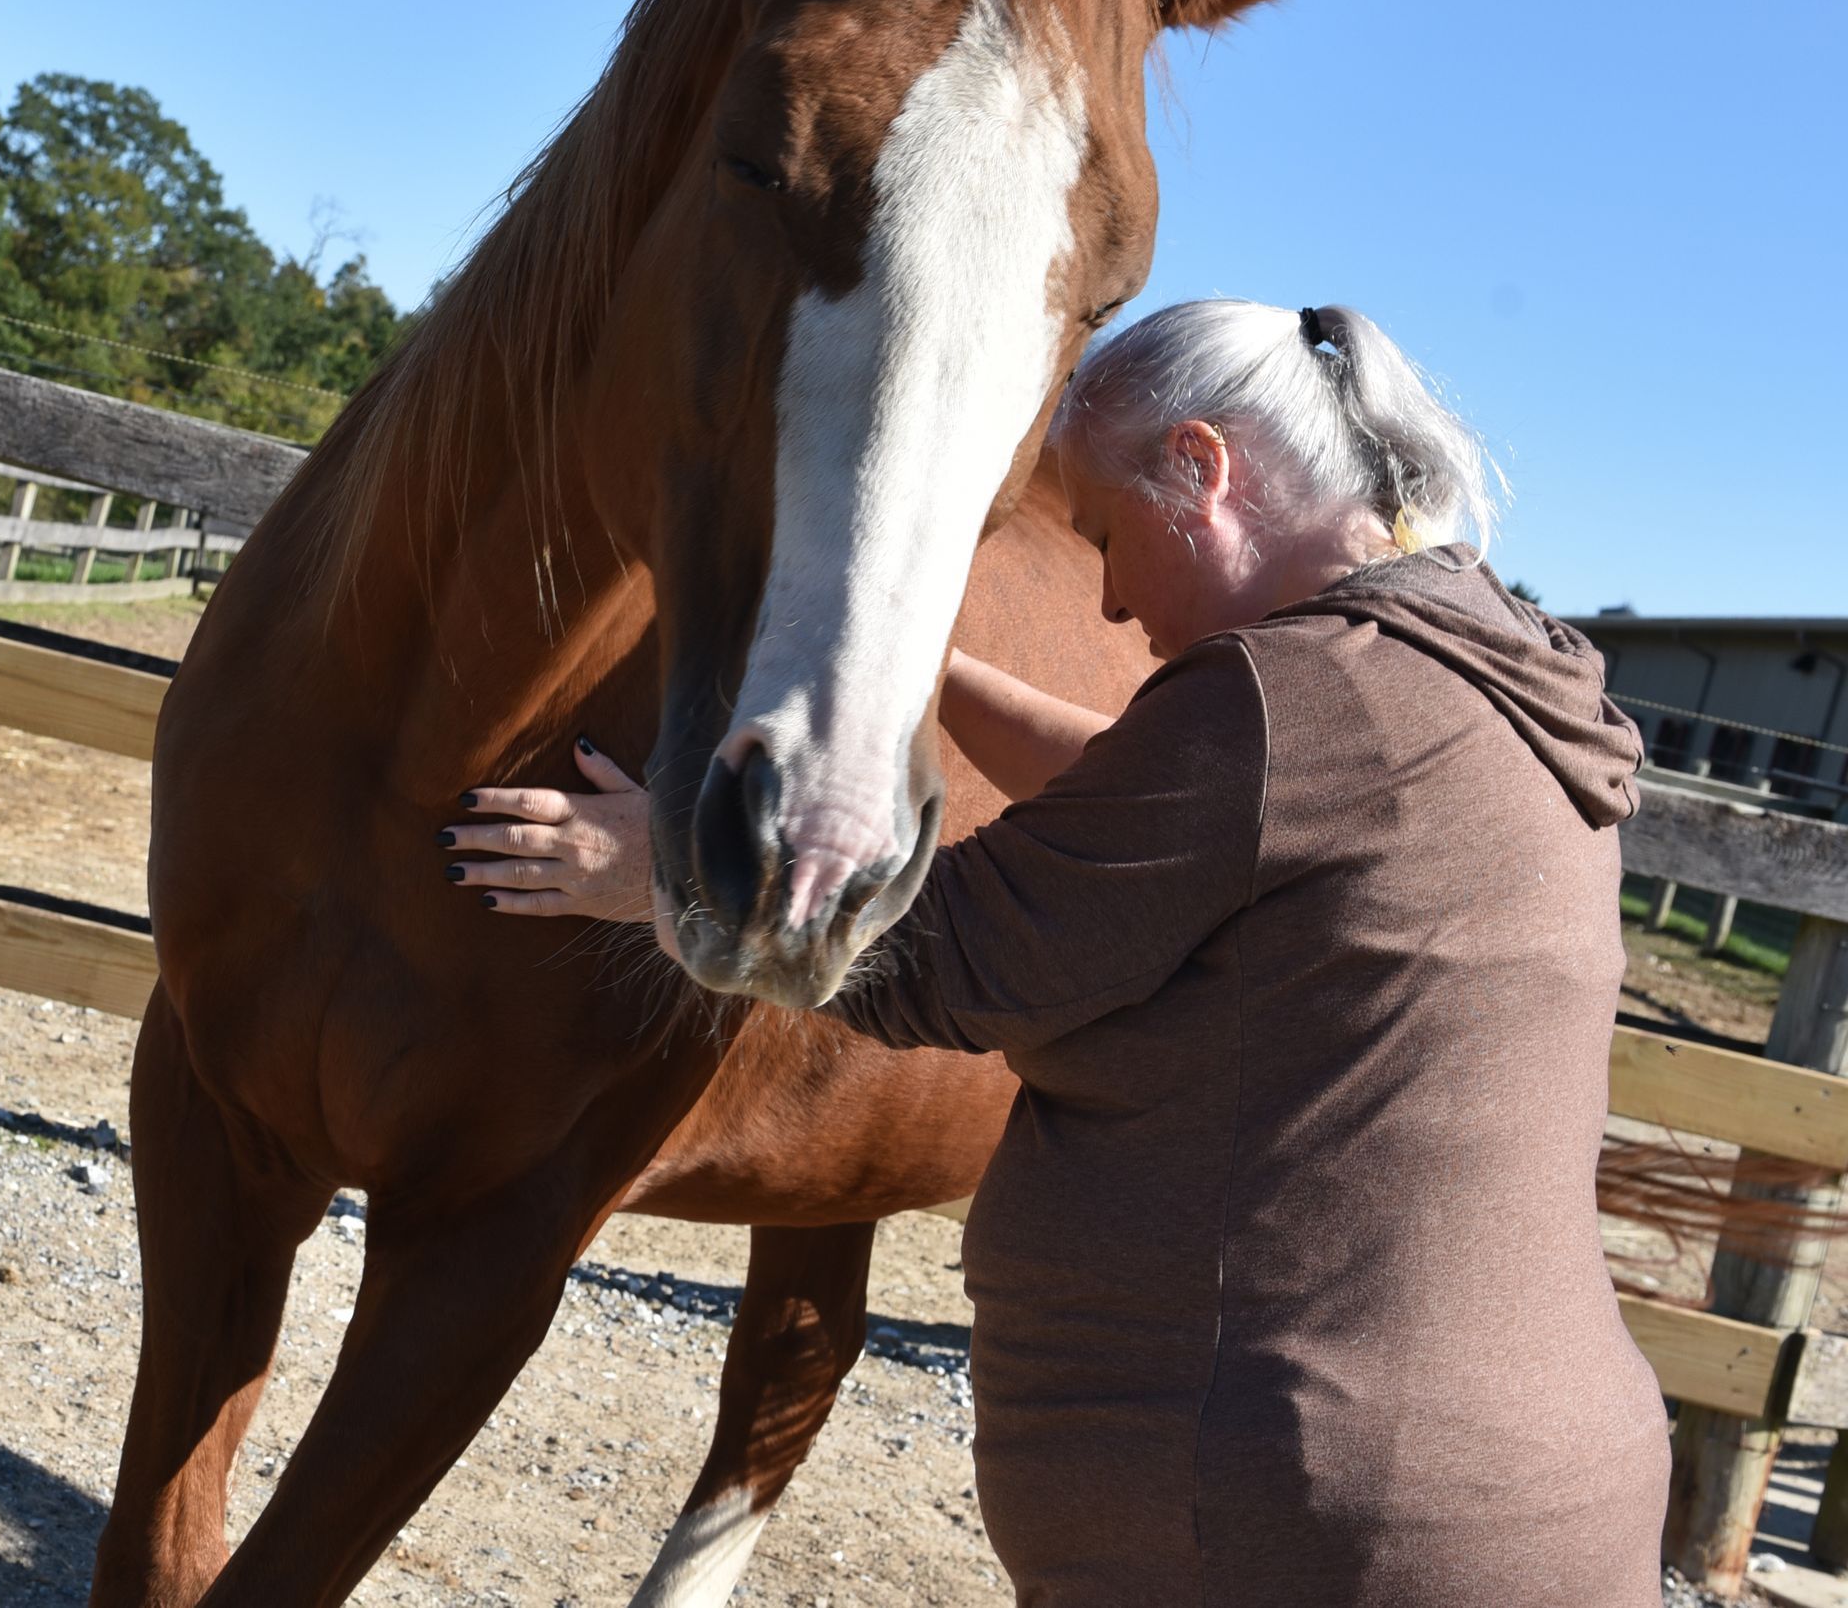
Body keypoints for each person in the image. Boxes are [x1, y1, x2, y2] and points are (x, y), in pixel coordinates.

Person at [438, 299, 1670, 1608]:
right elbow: (1155, 796)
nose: (1111, 593)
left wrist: (660, 871)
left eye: (1104, 531)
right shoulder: (1469, 679)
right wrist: (922, 668)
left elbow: (961, 957)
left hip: (1308, 1526)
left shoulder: (1283, 702)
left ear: (1202, 469)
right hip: (1501, 1500)